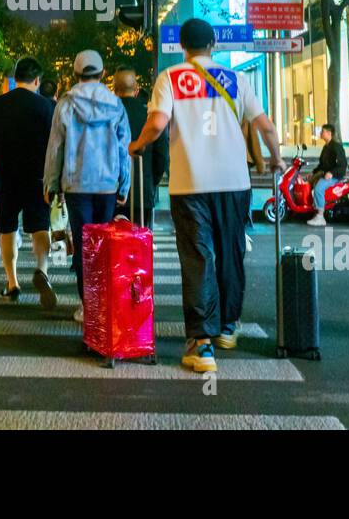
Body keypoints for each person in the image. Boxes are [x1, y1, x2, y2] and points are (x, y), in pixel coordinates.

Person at [129, 19, 284, 374]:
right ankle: (228, 327)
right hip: (234, 183)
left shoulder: (170, 77)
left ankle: (201, 344)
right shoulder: (237, 79)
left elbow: (156, 124)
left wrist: (137, 145)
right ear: (214, 42)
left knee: (198, 258)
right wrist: (275, 158)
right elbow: (266, 127)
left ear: (182, 44)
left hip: (190, 185)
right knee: (231, 252)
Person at [43, 50, 131, 325]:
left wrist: (51, 183)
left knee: (84, 246)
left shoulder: (66, 104)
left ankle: (87, 304)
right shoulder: (116, 104)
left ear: (75, 74)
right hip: (107, 185)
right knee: (104, 245)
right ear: (103, 74)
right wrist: (124, 182)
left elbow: (55, 147)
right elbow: (123, 147)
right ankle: (104, 300)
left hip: (76, 183)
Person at [0, 57, 57, 307]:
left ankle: (12, 282)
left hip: (5, 177)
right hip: (38, 177)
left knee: (7, 228)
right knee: (40, 226)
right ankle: (41, 269)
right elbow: (56, 146)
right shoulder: (47, 108)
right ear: (37, 80)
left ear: (16, 78)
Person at [113, 66, 168, 228]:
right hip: (142, 191)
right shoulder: (150, 116)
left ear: (115, 90)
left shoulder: (107, 115)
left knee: (112, 245)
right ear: (136, 89)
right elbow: (162, 154)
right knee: (140, 244)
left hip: (111, 192)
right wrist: (153, 181)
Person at [307, 123, 347, 228]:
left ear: (329, 133)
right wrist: (313, 172)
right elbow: (322, 164)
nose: (320, 133)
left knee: (318, 189)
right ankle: (313, 209)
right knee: (308, 183)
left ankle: (320, 216)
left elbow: (342, 164)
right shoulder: (326, 147)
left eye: (322, 131)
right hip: (325, 173)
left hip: (334, 176)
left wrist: (332, 173)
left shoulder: (336, 147)